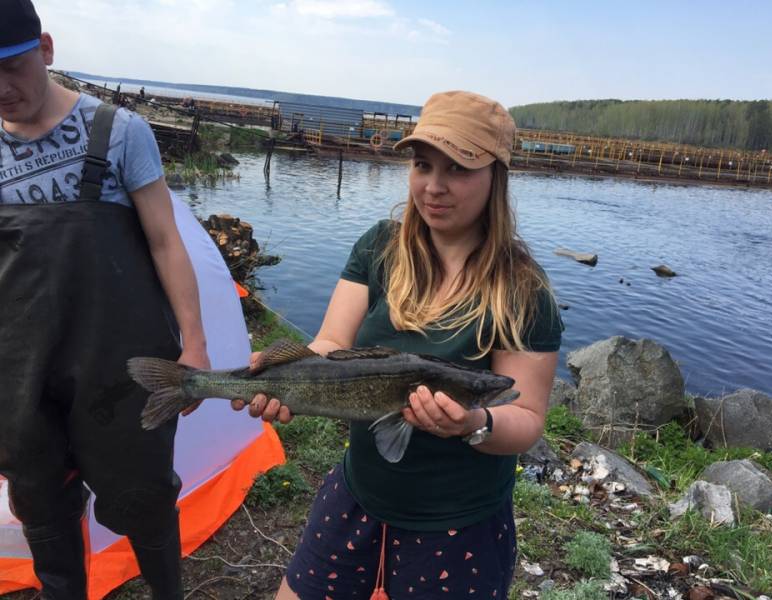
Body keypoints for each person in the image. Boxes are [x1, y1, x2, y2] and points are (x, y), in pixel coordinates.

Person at [234, 90, 563, 599]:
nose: (433, 186)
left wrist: (474, 424)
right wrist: (280, 374)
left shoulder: (524, 291)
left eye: (457, 168)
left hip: (458, 525)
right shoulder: (379, 247)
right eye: (422, 164)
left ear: (495, 176)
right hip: (358, 494)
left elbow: (526, 416)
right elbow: (330, 343)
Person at [0, 1, 209, 598]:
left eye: (12, 66)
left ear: (45, 48)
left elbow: (167, 242)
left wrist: (193, 345)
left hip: (121, 362)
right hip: (20, 367)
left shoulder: (119, 132)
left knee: (143, 493)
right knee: (39, 495)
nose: (3, 89)